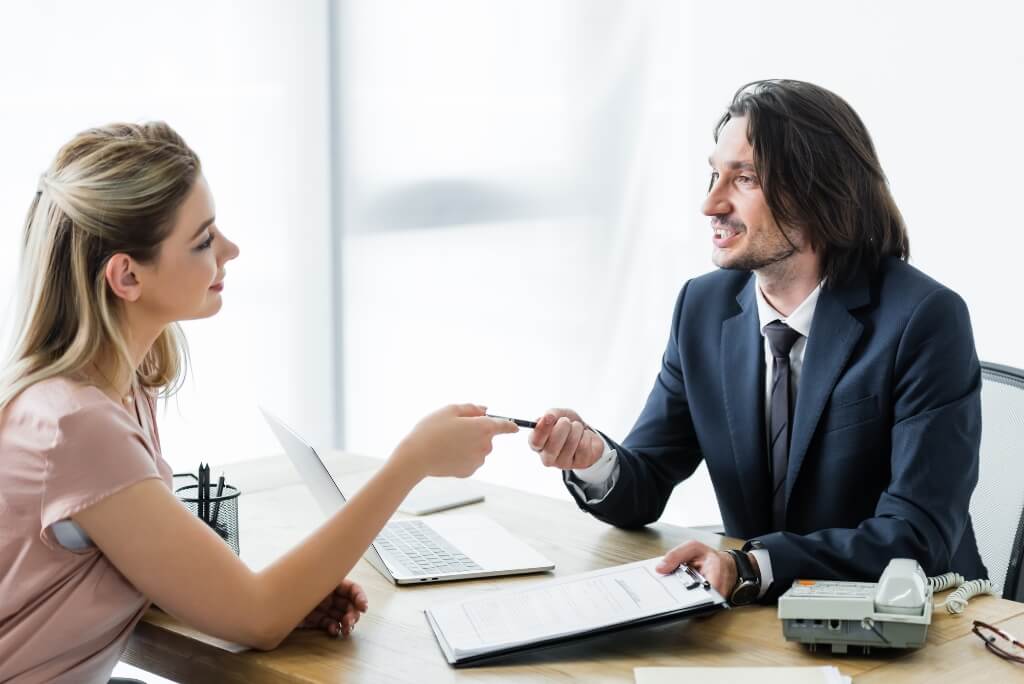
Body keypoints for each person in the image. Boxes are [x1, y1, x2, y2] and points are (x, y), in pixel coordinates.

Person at [0, 122, 518, 683]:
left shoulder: (115, 392)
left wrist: (282, 595)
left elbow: (163, 574)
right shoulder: (78, 424)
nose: (231, 250)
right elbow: (258, 618)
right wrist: (411, 463)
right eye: (202, 241)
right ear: (126, 275)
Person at [528, 79, 986, 604]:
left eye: (743, 179)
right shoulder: (703, 308)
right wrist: (591, 459)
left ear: (820, 193)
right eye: (713, 175)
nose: (710, 204)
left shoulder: (924, 319)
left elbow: (915, 536)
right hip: (763, 622)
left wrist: (750, 566)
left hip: (914, 624)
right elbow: (645, 484)